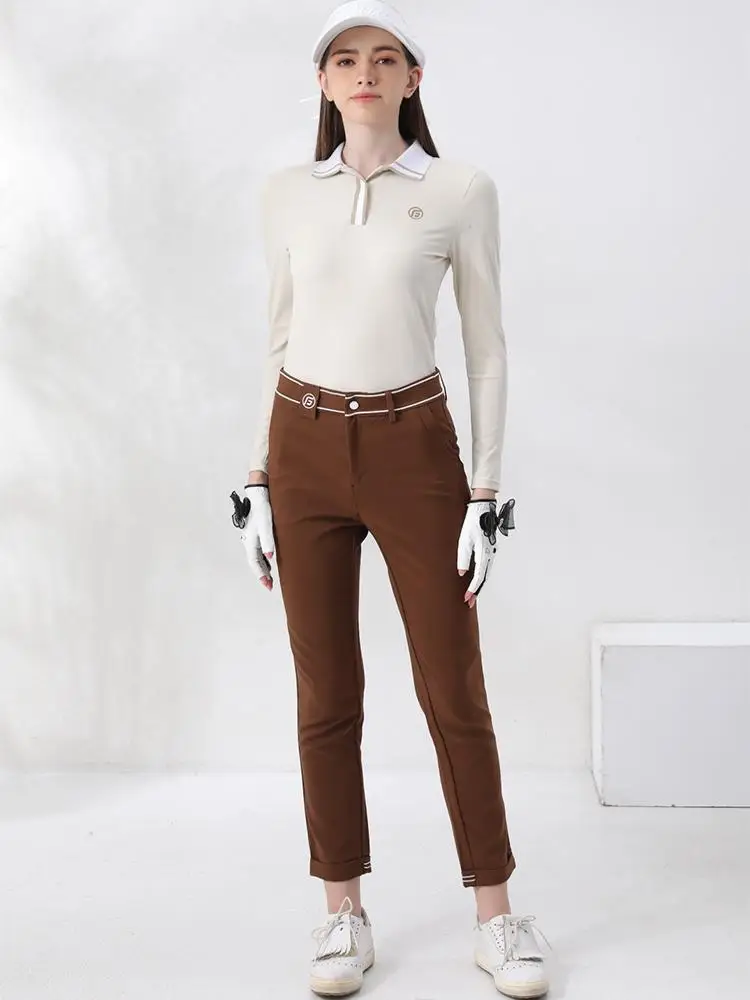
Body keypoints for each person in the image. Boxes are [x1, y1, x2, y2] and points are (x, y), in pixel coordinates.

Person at [232, 2, 551, 996]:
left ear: (414, 78)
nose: (363, 71)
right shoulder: (288, 194)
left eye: (384, 57)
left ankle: (496, 916)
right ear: (323, 82)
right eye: (344, 58)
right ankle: (343, 911)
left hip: (416, 448)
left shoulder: (459, 190)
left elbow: (487, 345)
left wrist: (485, 490)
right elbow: (278, 336)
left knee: (453, 686)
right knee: (326, 693)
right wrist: (255, 477)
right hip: (302, 445)